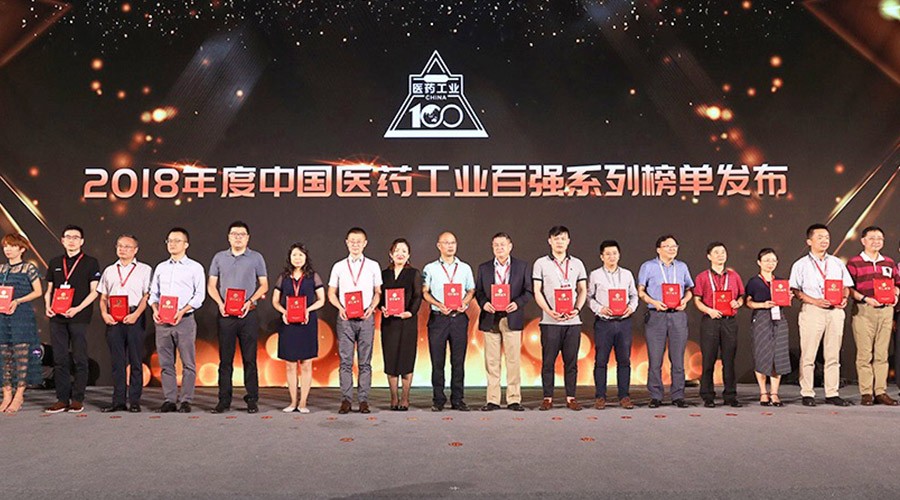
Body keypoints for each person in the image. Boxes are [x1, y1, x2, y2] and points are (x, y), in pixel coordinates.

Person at [789, 223, 854, 406]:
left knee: (833, 354)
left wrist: (844, 298)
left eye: (826, 237)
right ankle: (807, 392)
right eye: (820, 237)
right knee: (808, 354)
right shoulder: (800, 264)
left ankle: (832, 392)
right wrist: (814, 301)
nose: (824, 240)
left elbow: (846, 286)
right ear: (809, 241)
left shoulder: (836, 262)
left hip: (835, 311)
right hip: (813, 310)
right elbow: (795, 290)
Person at [208, 221, 268, 414]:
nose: (238, 237)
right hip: (226, 315)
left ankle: (252, 399)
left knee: (250, 359)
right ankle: (223, 400)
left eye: (242, 234)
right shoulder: (219, 258)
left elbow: (264, 285)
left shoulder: (256, 257)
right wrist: (220, 303)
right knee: (225, 360)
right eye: (234, 234)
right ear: (228, 237)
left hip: (248, 314)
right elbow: (211, 285)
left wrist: (250, 301)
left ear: (248, 238)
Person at [43, 225, 101, 413]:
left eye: (76, 237)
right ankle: (62, 399)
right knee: (59, 358)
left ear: (82, 241)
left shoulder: (91, 262)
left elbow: (95, 292)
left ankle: (77, 399)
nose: (72, 240)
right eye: (68, 237)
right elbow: (49, 290)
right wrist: (47, 306)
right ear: (62, 240)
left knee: (79, 358)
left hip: (79, 317)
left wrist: (77, 309)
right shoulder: (55, 262)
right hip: (57, 317)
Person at [149, 227, 205, 413]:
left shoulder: (195, 267)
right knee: (166, 362)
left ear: (186, 244)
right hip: (162, 321)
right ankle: (169, 399)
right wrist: (155, 309)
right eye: (169, 241)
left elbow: (199, 296)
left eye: (177, 241)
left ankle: (186, 400)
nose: (172, 244)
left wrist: (182, 311)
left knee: (188, 363)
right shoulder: (161, 267)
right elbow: (153, 293)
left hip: (184, 320)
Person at [474, 232, 532, 412]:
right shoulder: (484, 268)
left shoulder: (522, 266)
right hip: (490, 318)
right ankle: (493, 400)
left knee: (513, 361)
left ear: (510, 246)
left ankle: (514, 399)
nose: (499, 248)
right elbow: (479, 292)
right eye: (496, 245)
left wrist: (517, 303)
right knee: (492, 362)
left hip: (511, 317)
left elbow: (529, 291)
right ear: (492, 247)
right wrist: (484, 304)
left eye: (502, 244)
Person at [533, 226, 588, 411]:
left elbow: (583, 290)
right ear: (550, 241)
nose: (559, 242)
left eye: (563, 238)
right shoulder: (540, 263)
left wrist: (577, 309)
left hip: (573, 322)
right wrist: (548, 311)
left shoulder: (577, 263)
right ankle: (547, 398)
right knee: (548, 362)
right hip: (550, 322)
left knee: (571, 362)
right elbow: (537, 291)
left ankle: (571, 398)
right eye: (556, 239)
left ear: (568, 241)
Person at [328, 227, 382, 414]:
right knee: (345, 361)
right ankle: (346, 400)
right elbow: (331, 293)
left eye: (359, 241)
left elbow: (378, 292)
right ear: (347, 242)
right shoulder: (339, 266)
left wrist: (372, 308)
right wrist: (340, 308)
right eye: (352, 241)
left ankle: (364, 400)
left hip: (366, 318)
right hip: (345, 319)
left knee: (365, 362)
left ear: (365, 243)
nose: (355, 244)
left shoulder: (373, 265)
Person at [637, 234, 694, 409]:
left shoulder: (682, 267)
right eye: (668, 246)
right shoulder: (648, 266)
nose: (672, 249)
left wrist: (685, 300)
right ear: (658, 249)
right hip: (656, 315)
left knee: (678, 358)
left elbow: (690, 289)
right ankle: (656, 395)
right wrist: (654, 302)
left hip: (677, 315)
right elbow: (640, 291)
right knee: (655, 359)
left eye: (674, 246)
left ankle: (678, 395)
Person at [97, 234, 152, 413]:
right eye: (119, 246)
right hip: (113, 318)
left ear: (135, 250)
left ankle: (134, 401)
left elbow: (147, 295)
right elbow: (103, 296)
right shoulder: (109, 270)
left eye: (127, 246)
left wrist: (136, 314)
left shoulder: (144, 269)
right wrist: (104, 314)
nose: (122, 249)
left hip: (134, 316)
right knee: (117, 362)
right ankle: (118, 401)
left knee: (136, 360)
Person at [422, 231, 476, 412]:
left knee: (458, 362)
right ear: (439, 246)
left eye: (453, 242)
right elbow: (424, 292)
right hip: (438, 319)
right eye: (446, 243)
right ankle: (438, 399)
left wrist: (465, 302)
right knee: (437, 362)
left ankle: (458, 399)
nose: (450, 246)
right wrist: (438, 304)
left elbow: (471, 290)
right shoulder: (430, 268)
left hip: (458, 319)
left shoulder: (465, 268)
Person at [846, 226, 899, 405]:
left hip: (886, 310)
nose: (876, 241)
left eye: (880, 238)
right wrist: (865, 298)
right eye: (872, 238)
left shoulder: (889, 262)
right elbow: (848, 289)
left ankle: (881, 391)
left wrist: (895, 295)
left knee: (882, 353)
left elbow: (897, 283)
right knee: (864, 353)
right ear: (863, 241)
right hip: (863, 310)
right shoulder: (854, 262)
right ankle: (866, 392)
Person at [271, 243, 325, 413]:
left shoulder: (313, 277)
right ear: (290, 257)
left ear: (306, 257)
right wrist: (284, 312)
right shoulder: (283, 277)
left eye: (301, 255)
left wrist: (308, 310)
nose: (297, 258)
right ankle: (293, 402)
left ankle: (303, 403)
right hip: (288, 324)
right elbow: (275, 301)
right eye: (294, 255)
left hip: (307, 323)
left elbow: (322, 300)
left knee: (306, 363)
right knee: (290, 364)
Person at [692, 242, 745, 408]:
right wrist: (709, 311)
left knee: (729, 360)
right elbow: (697, 300)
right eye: (716, 252)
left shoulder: (734, 276)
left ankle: (730, 395)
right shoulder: (702, 277)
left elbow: (741, 296)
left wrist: (738, 303)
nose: (720, 255)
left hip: (729, 321)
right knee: (708, 359)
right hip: (710, 321)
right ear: (709, 256)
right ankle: (708, 395)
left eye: (723, 252)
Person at [587, 240, 638, 410]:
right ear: (601, 256)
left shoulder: (627, 274)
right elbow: (589, 297)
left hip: (624, 322)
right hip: (604, 323)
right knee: (601, 361)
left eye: (614, 253)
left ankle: (624, 396)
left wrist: (631, 308)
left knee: (624, 361)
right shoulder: (595, 275)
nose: (612, 257)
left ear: (619, 255)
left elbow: (634, 295)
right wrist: (600, 308)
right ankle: (600, 396)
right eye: (608, 254)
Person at [379, 238, 423, 411]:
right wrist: (381, 307)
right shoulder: (384, 274)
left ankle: (405, 397)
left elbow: (418, 296)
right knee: (390, 360)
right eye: (397, 250)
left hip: (407, 322)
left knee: (406, 360)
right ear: (391, 254)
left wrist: (410, 312)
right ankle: (393, 397)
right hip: (389, 323)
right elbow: (379, 296)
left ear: (409, 255)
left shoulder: (414, 273)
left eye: (404, 251)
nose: (400, 254)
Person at [0, 234, 42, 413]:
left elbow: (38, 291)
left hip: (21, 315)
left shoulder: (28, 268)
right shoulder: (1, 269)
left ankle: (19, 394)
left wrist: (18, 301)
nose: (8, 249)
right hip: (3, 316)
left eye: (12, 246)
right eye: (5, 246)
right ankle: (6, 393)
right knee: (4, 356)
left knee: (21, 355)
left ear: (22, 249)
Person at [745, 248, 791, 407]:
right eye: (766, 260)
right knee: (762, 354)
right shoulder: (754, 282)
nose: (770, 263)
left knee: (779, 355)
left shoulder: (781, 282)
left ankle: (775, 393)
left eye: (773, 260)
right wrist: (762, 305)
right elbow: (748, 302)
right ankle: (763, 392)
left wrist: (788, 297)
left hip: (779, 318)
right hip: (761, 318)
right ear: (759, 262)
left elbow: (786, 300)